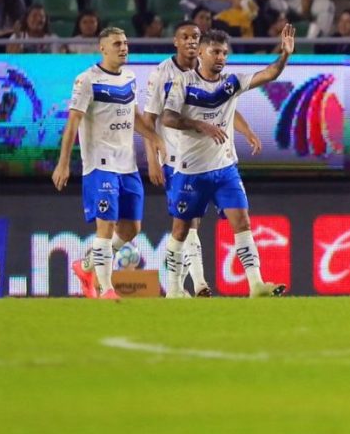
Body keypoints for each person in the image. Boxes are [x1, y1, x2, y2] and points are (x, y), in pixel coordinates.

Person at [160, 27, 293, 298]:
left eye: (224, 53)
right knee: (180, 230)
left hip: (224, 169)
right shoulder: (183, 83)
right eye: (215, 51)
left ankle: (256, 284)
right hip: (190, 171)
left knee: (242, 222)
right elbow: (168, 118)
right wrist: (200, 124)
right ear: (200, 52)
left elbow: (268, 74)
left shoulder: (231, 82)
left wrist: (285, 56)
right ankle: (173, 289)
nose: (221, 57)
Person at [141, 21, 262, 297]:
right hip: (176, 158)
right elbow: (150, 118)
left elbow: (225, 105)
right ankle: (192, 284)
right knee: (187, 223)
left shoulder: (209, 69)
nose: (191, 42)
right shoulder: (162, 74)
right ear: (175, 41)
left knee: (196, 222)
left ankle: (197, 284)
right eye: (185, 37)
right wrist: (151, 158)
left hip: (215, 157)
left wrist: (246, 131)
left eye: (196, 37)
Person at [51, 26, 165, 300]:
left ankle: (86, 266)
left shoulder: (129, 77)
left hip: (127, 164)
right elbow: (73, 123)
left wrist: (156, 139)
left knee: (131, 229)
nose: (123, 47)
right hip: (100, 164)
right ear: (102, 49)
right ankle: (106, 288)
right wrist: (63, 163)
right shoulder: (86, 80)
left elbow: (133, 114)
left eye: (125, 43)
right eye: (117, 44)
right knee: (106, 226)